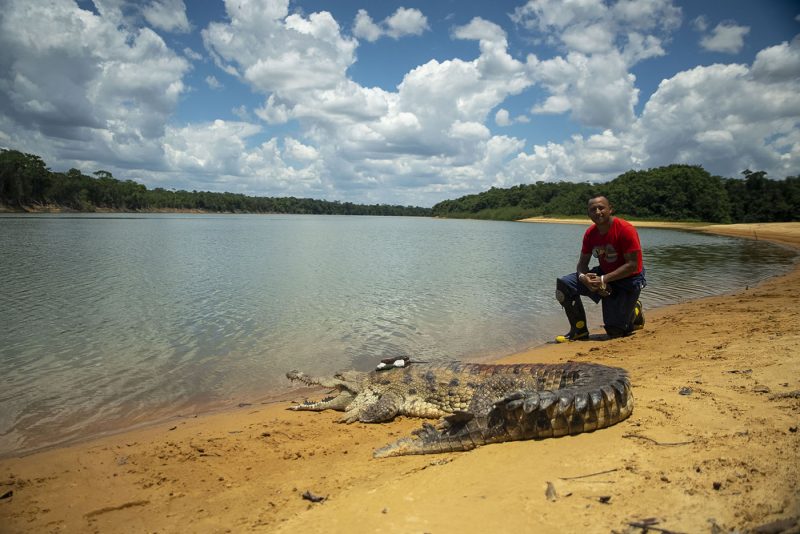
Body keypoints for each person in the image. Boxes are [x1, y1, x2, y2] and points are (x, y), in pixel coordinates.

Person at [554, 195, 646, 342]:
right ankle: (579, 331)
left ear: (610, 209)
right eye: (592, 209)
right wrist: (583, 277)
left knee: (616, 332)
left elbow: (633, 265)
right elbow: (582, 264)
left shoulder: (625, 229)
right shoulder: (590, 233)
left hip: (629, 279)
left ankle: (634, 311)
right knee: (564, 285)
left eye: (601, 208)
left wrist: (603, 279)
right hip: (605, 274)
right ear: (588, 214)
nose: (597, 212)